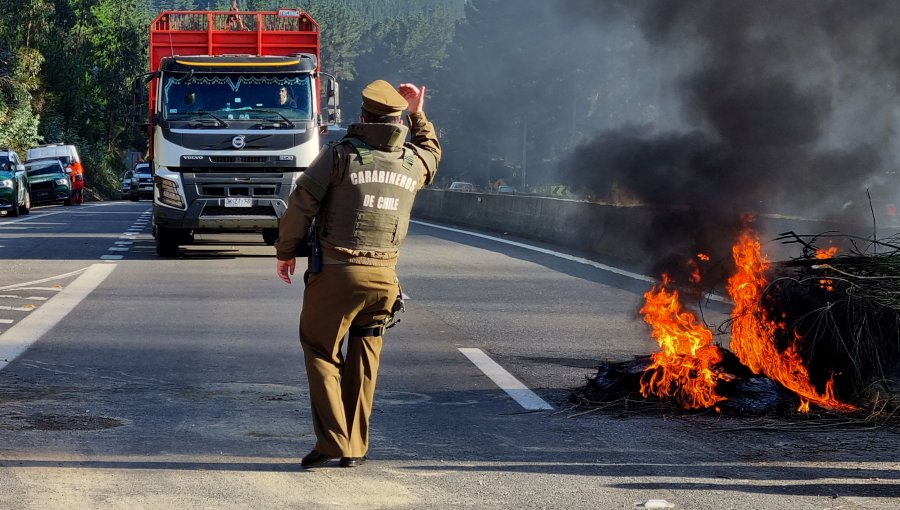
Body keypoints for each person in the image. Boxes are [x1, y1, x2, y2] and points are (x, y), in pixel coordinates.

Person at [274, 80, 441, 468]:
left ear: (363, 117)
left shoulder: (339, 156)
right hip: (384, 280)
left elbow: (301, 205)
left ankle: (333, 442)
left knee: (321, 351)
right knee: (366, 358)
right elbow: (433, 151)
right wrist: (418, 112)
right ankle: (356, 446)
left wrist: (285, 252)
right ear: (398, 119)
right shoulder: (412, 162)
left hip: (336, 275)